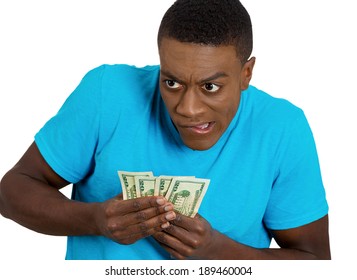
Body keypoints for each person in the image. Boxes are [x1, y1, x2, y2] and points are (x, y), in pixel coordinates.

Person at [0, 0, 330, 260]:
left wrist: (218, 252)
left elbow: (315, 260)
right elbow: (11, 192)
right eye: (171, 81)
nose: (187, 109)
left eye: (210, 86)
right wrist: (96, 220)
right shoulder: (106, 94)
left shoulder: (282, 128)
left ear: (246, 73)